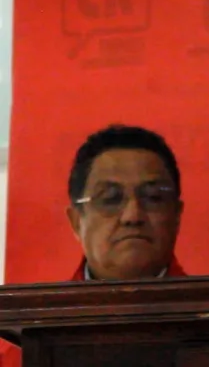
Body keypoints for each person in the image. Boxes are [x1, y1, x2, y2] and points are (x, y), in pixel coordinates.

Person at [0, 124, 187, 366]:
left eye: (153, 197)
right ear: (76, 221)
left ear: (177, 215)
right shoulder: (26, 354)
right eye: (110, 199)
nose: (132, 215)